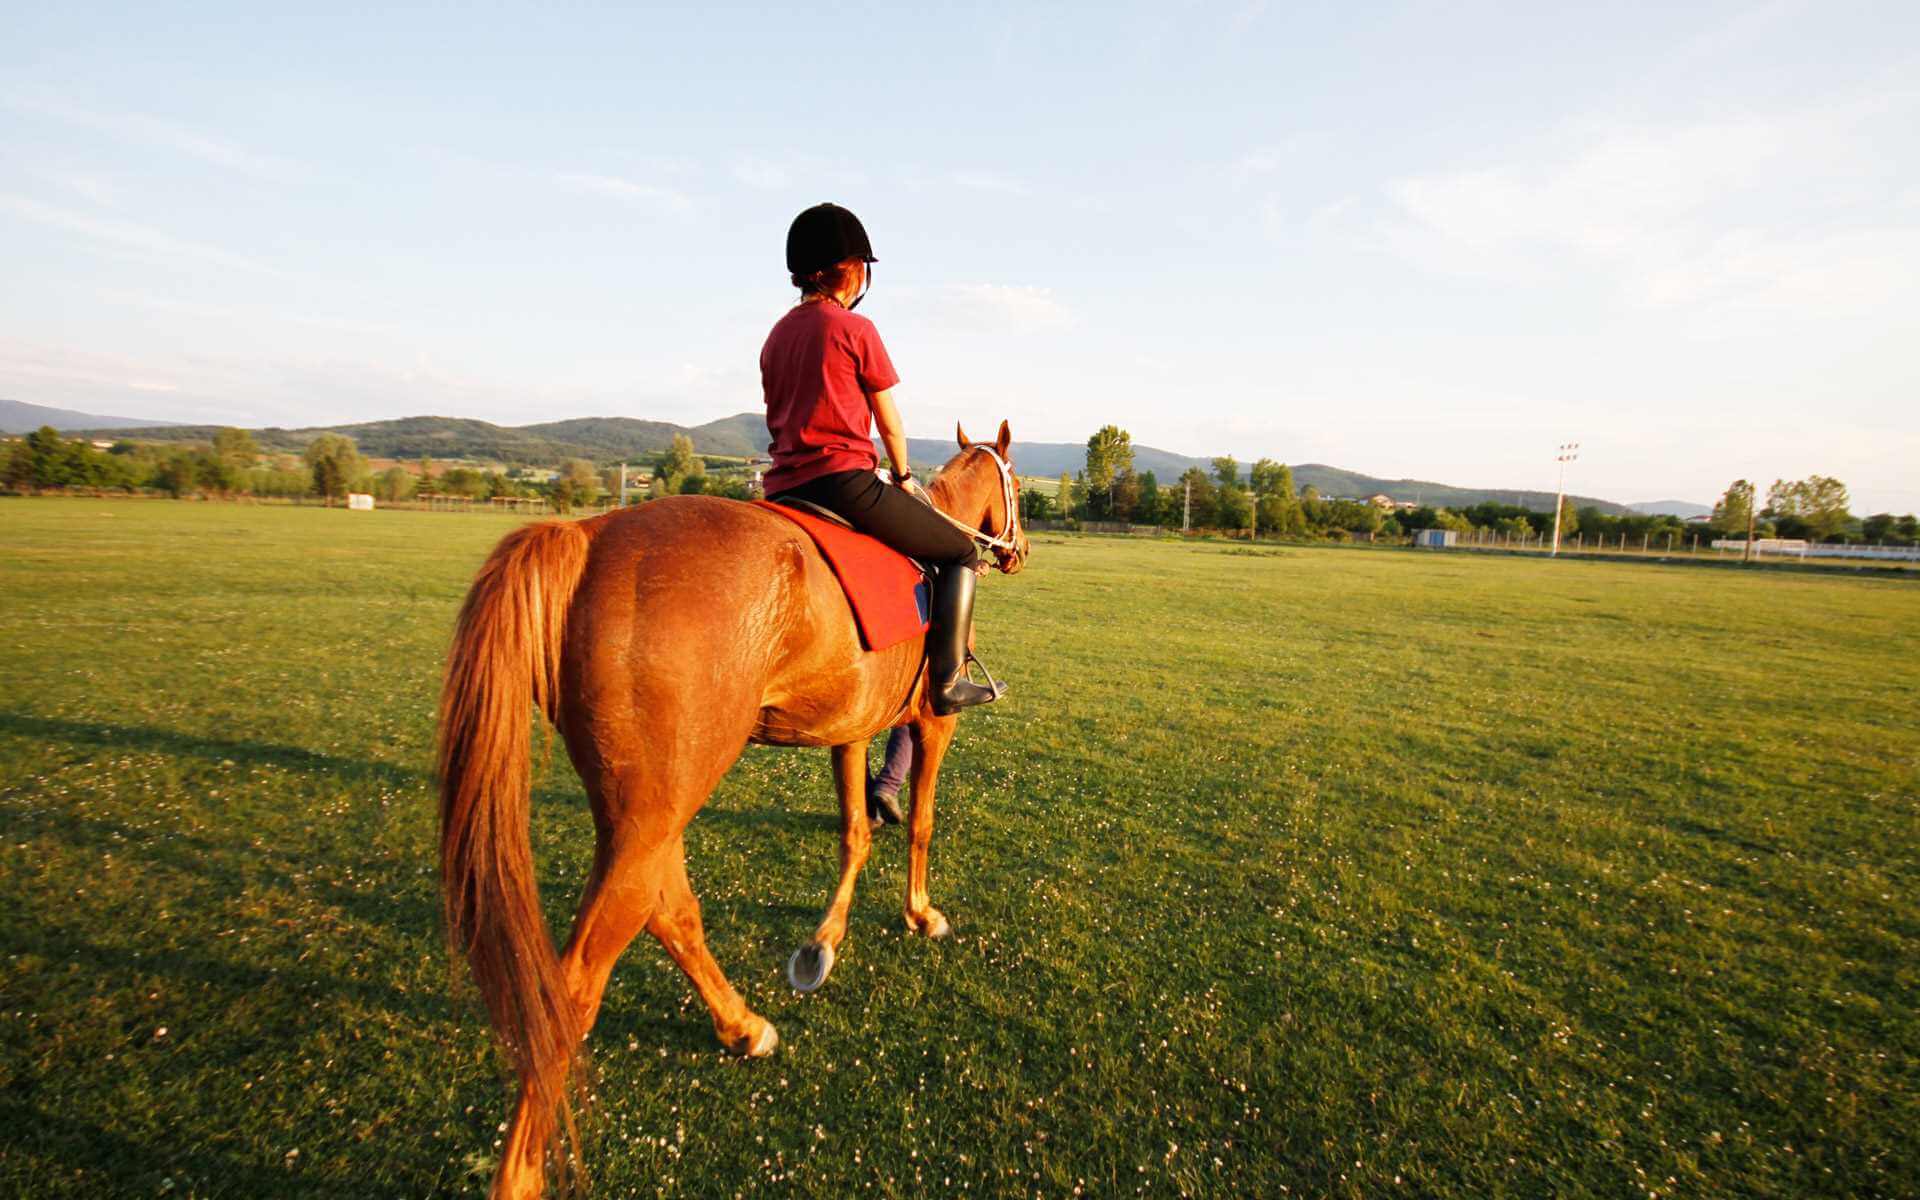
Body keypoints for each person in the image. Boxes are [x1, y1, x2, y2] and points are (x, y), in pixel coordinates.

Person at [761, 202, 1003, 716]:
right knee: (959, 551)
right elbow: (889, 420)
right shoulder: (855, 329)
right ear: (850, 270)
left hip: (782, 487)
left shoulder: (776, 335)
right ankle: (949, 682)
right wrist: (905, 476)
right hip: (843, 482)